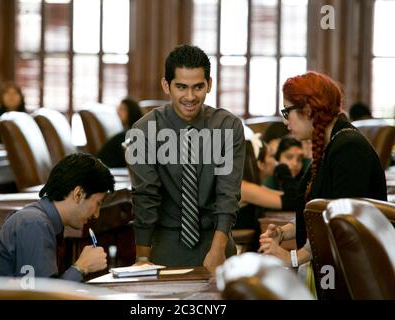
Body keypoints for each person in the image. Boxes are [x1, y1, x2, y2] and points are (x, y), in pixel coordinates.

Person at [127, 44, 245, 271]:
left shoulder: (228, 126)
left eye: (198, 87)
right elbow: (145, 196)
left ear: (209, 85)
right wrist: (142, 260)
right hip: (165, 240)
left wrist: (218, 249)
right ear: (166, 85)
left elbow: (228, 193)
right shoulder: (142, 130)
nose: (190, 97)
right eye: (181, 87)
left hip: (216, 239)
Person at [259, 71, 387, 267]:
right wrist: (283, 232)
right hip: (337, 262)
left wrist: (293, 257)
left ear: (308, 110)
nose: (285, 122)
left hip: (354, 267)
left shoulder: (349, 147)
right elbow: (317, 214)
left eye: (286, 112)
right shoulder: (333, 142)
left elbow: (341, 222)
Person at [0, 153, 115, 281]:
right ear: (78, 194)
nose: (96, 215)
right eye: (98, 203)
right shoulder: (34, 224)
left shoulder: (43, 221)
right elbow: (41, 295)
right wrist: (81, 267)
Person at [97, 97, 143, 168]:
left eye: (123, 109)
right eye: (119, 109)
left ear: (132, 111)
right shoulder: (123, 135)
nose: (118, 112)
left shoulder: (132, 134)